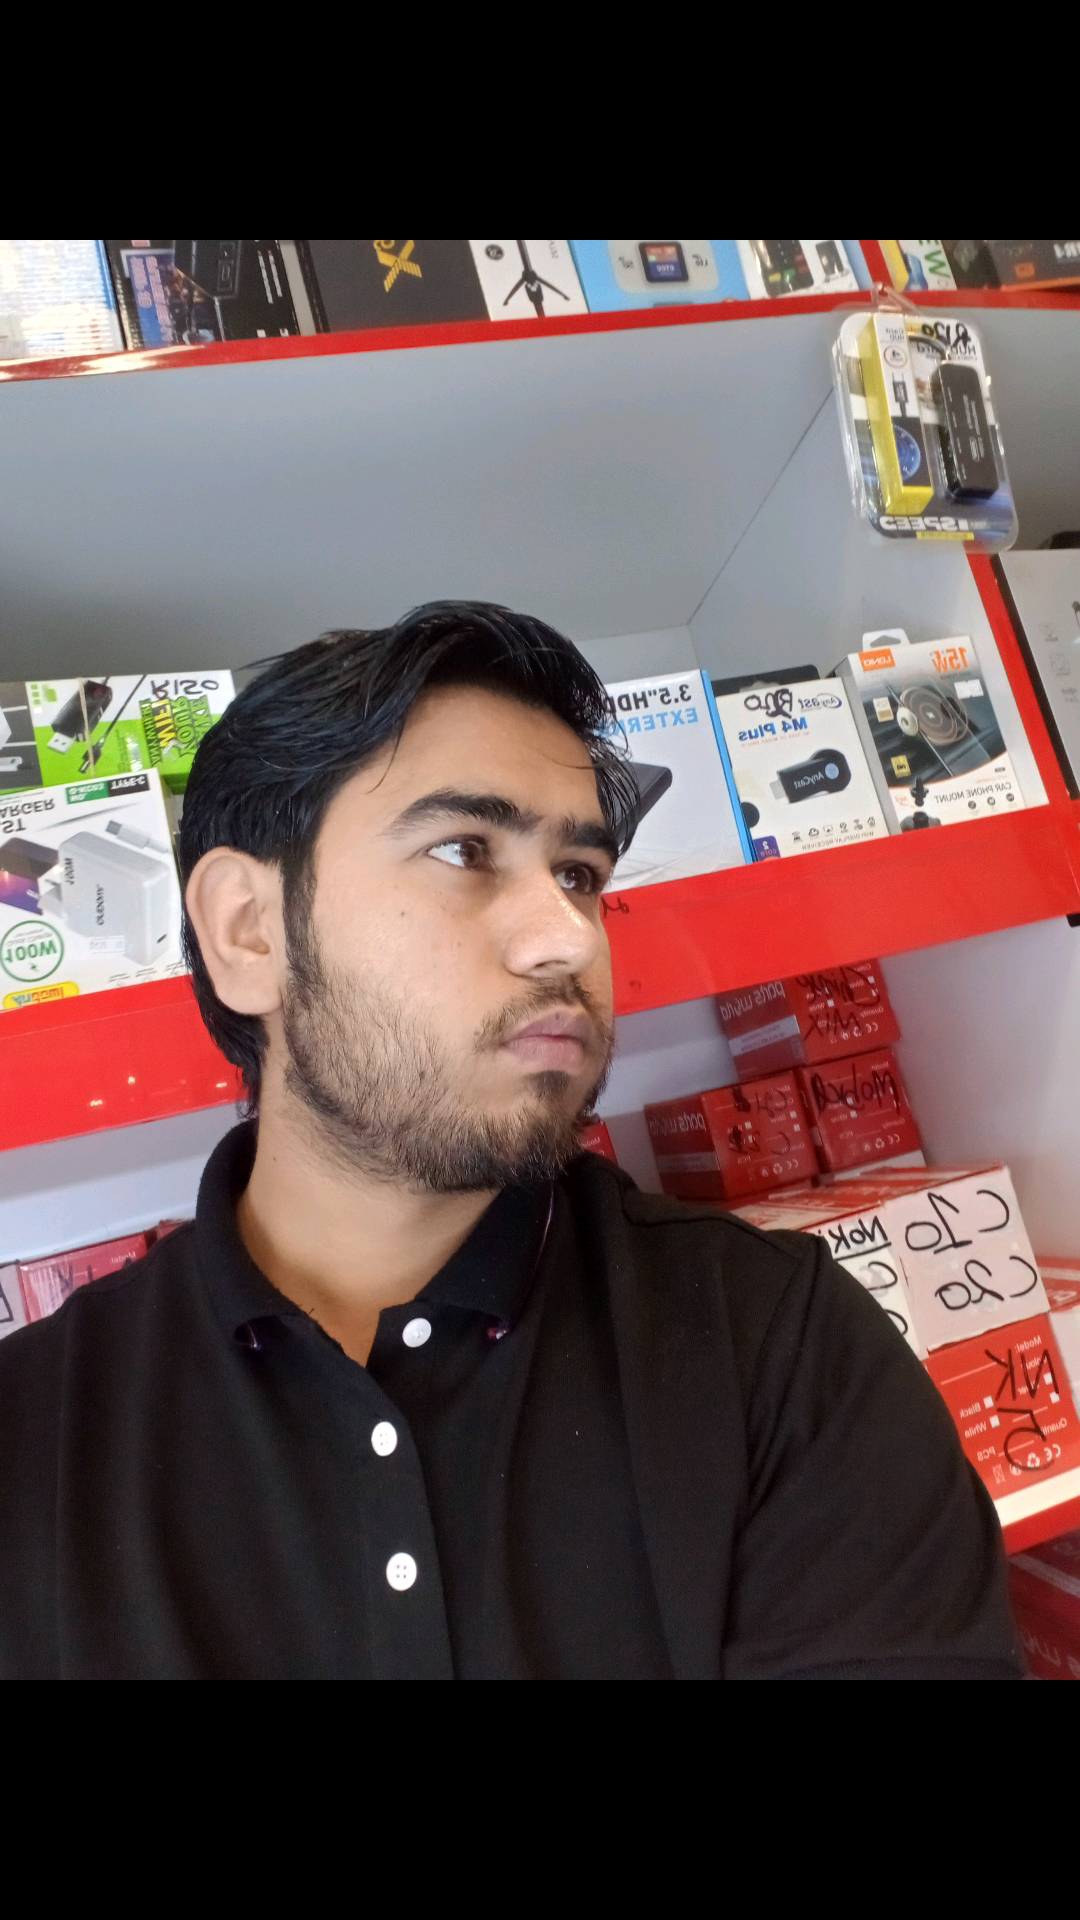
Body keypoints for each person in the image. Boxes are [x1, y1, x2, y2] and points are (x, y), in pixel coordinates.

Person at [0, 602, 1021, 1680]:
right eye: (464, 851)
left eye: (580, 873)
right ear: (249, 932)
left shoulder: (779, 1348)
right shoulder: (34, 1438)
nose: (566, 938)